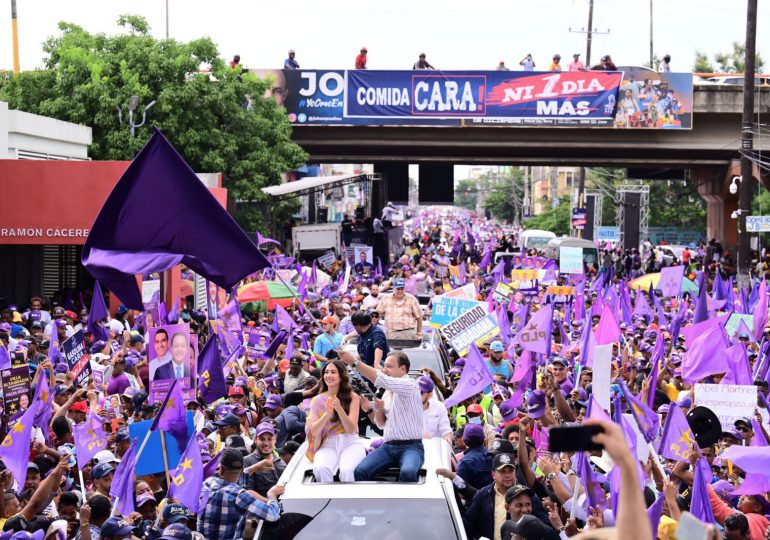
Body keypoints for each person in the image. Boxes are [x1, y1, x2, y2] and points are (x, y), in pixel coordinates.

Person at [339, 350, 425, 482]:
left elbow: (379, 378)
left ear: (403, 369)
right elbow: (380, 423)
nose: (384, 370)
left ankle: (403, 503)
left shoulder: (410, 385)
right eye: (384, 366)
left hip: (411, 447)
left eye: (389, 366)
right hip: (388, 447)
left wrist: (354, 362)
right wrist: (378, 410)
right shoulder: (386, 393)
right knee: (360, 471)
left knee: (408, 472)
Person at [199, 448, 284, 538]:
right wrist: (272, 495)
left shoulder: (206, 484)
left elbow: (228, 480)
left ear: (221, 469)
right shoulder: (239, 496)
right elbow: (272, 514)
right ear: (241, 470)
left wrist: (253, 468)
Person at [305, 360, 364, 482]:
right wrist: (327, 414)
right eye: (326, 372)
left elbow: (351, 429)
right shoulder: (317, 400)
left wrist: (339, 409)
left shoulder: (353, 397)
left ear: (341, 376)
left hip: (350, 442)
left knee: (347, 471)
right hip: (328, 443)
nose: (328, 375)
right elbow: (313, 432)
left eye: (333, 372)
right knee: (321, 468)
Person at [419, 375, 452, 443]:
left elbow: (446, 430)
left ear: (430, 394)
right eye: (415, 391)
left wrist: (448, 439)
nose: (417, 395)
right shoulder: (406, 407)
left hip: (435, 450)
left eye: (421, 393)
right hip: (413, 449)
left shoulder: (439, 407)